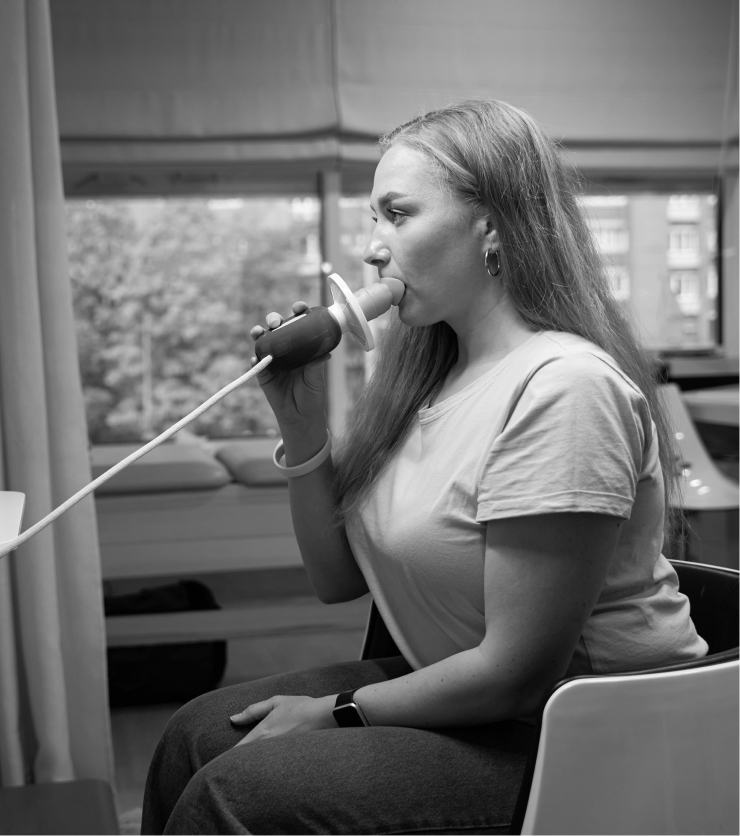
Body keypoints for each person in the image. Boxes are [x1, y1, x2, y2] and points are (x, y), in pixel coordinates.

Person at [141, 99, 708, 835]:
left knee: (236, 793)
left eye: (398, 215)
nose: (372, 249)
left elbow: (517, 676)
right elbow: (336, 580)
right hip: (481, 708)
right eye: (373, 219)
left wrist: (337, 712)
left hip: (594, 741)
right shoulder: (429, 381)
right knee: (195, 734)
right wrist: (302, 426)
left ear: (492, 226)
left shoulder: (566, 388)